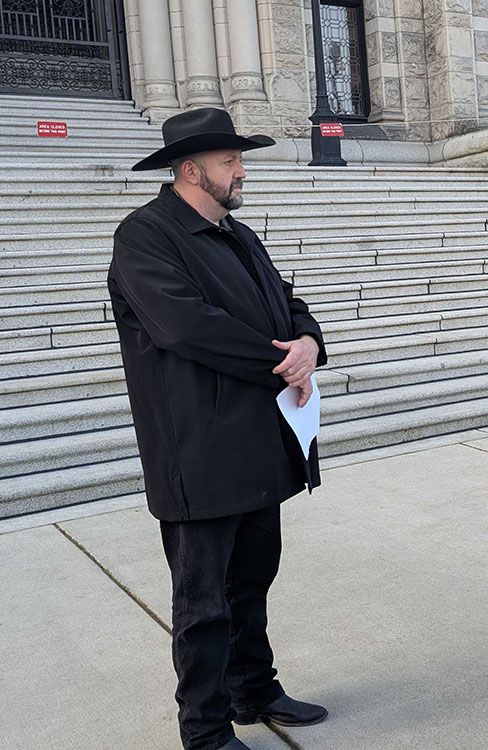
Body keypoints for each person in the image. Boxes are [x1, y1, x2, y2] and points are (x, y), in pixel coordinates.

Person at [108, 108, 329, 750]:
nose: (240, 171)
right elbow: (186, 326)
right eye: (230, 161)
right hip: (196, 452)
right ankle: (203, 729)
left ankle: (253, 689)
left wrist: (310, 342)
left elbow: (286, 300)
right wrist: (280, 361)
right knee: (203, 602)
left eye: (239, 159)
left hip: (259, 444)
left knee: (253, 580)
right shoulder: (145, 237)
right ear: (189, 169)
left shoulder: (236, 232)